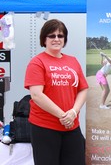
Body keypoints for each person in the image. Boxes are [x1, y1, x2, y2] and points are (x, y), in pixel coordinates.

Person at [24, 19, 88, 165]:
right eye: (51, 36)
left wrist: (73, 112)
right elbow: (36, 95)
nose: (56, 39)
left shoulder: (72, 61)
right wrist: (62, 115)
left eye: (60, 35)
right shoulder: (37, 62)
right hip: (45, 127)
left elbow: (83, 89)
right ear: (44, 39)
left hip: (72, 126)